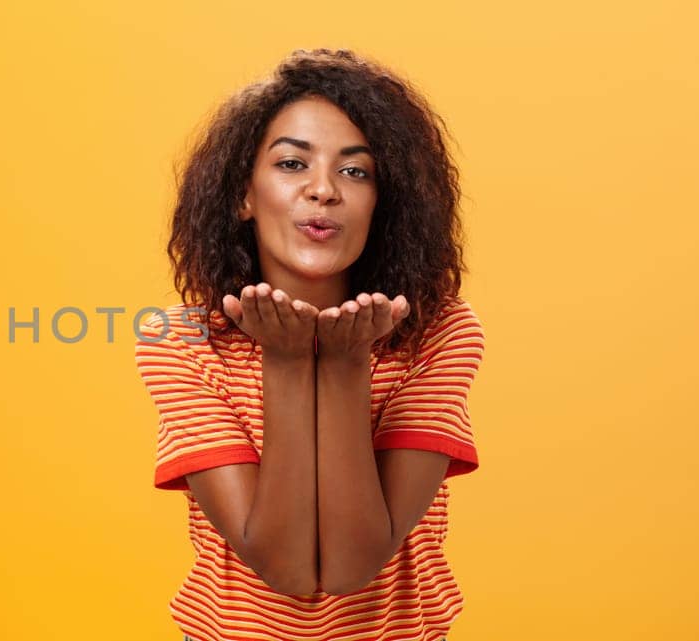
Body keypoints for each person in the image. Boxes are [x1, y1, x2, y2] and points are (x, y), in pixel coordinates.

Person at [134, 49, 486, 641]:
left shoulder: (438, 329)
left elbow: (351, 568)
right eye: (292, 164)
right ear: (242, 196)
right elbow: (289, 569)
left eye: (355, 172)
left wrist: (345, 362)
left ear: (384, 202)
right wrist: (291, 360)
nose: (323, 190)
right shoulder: (181, 340)